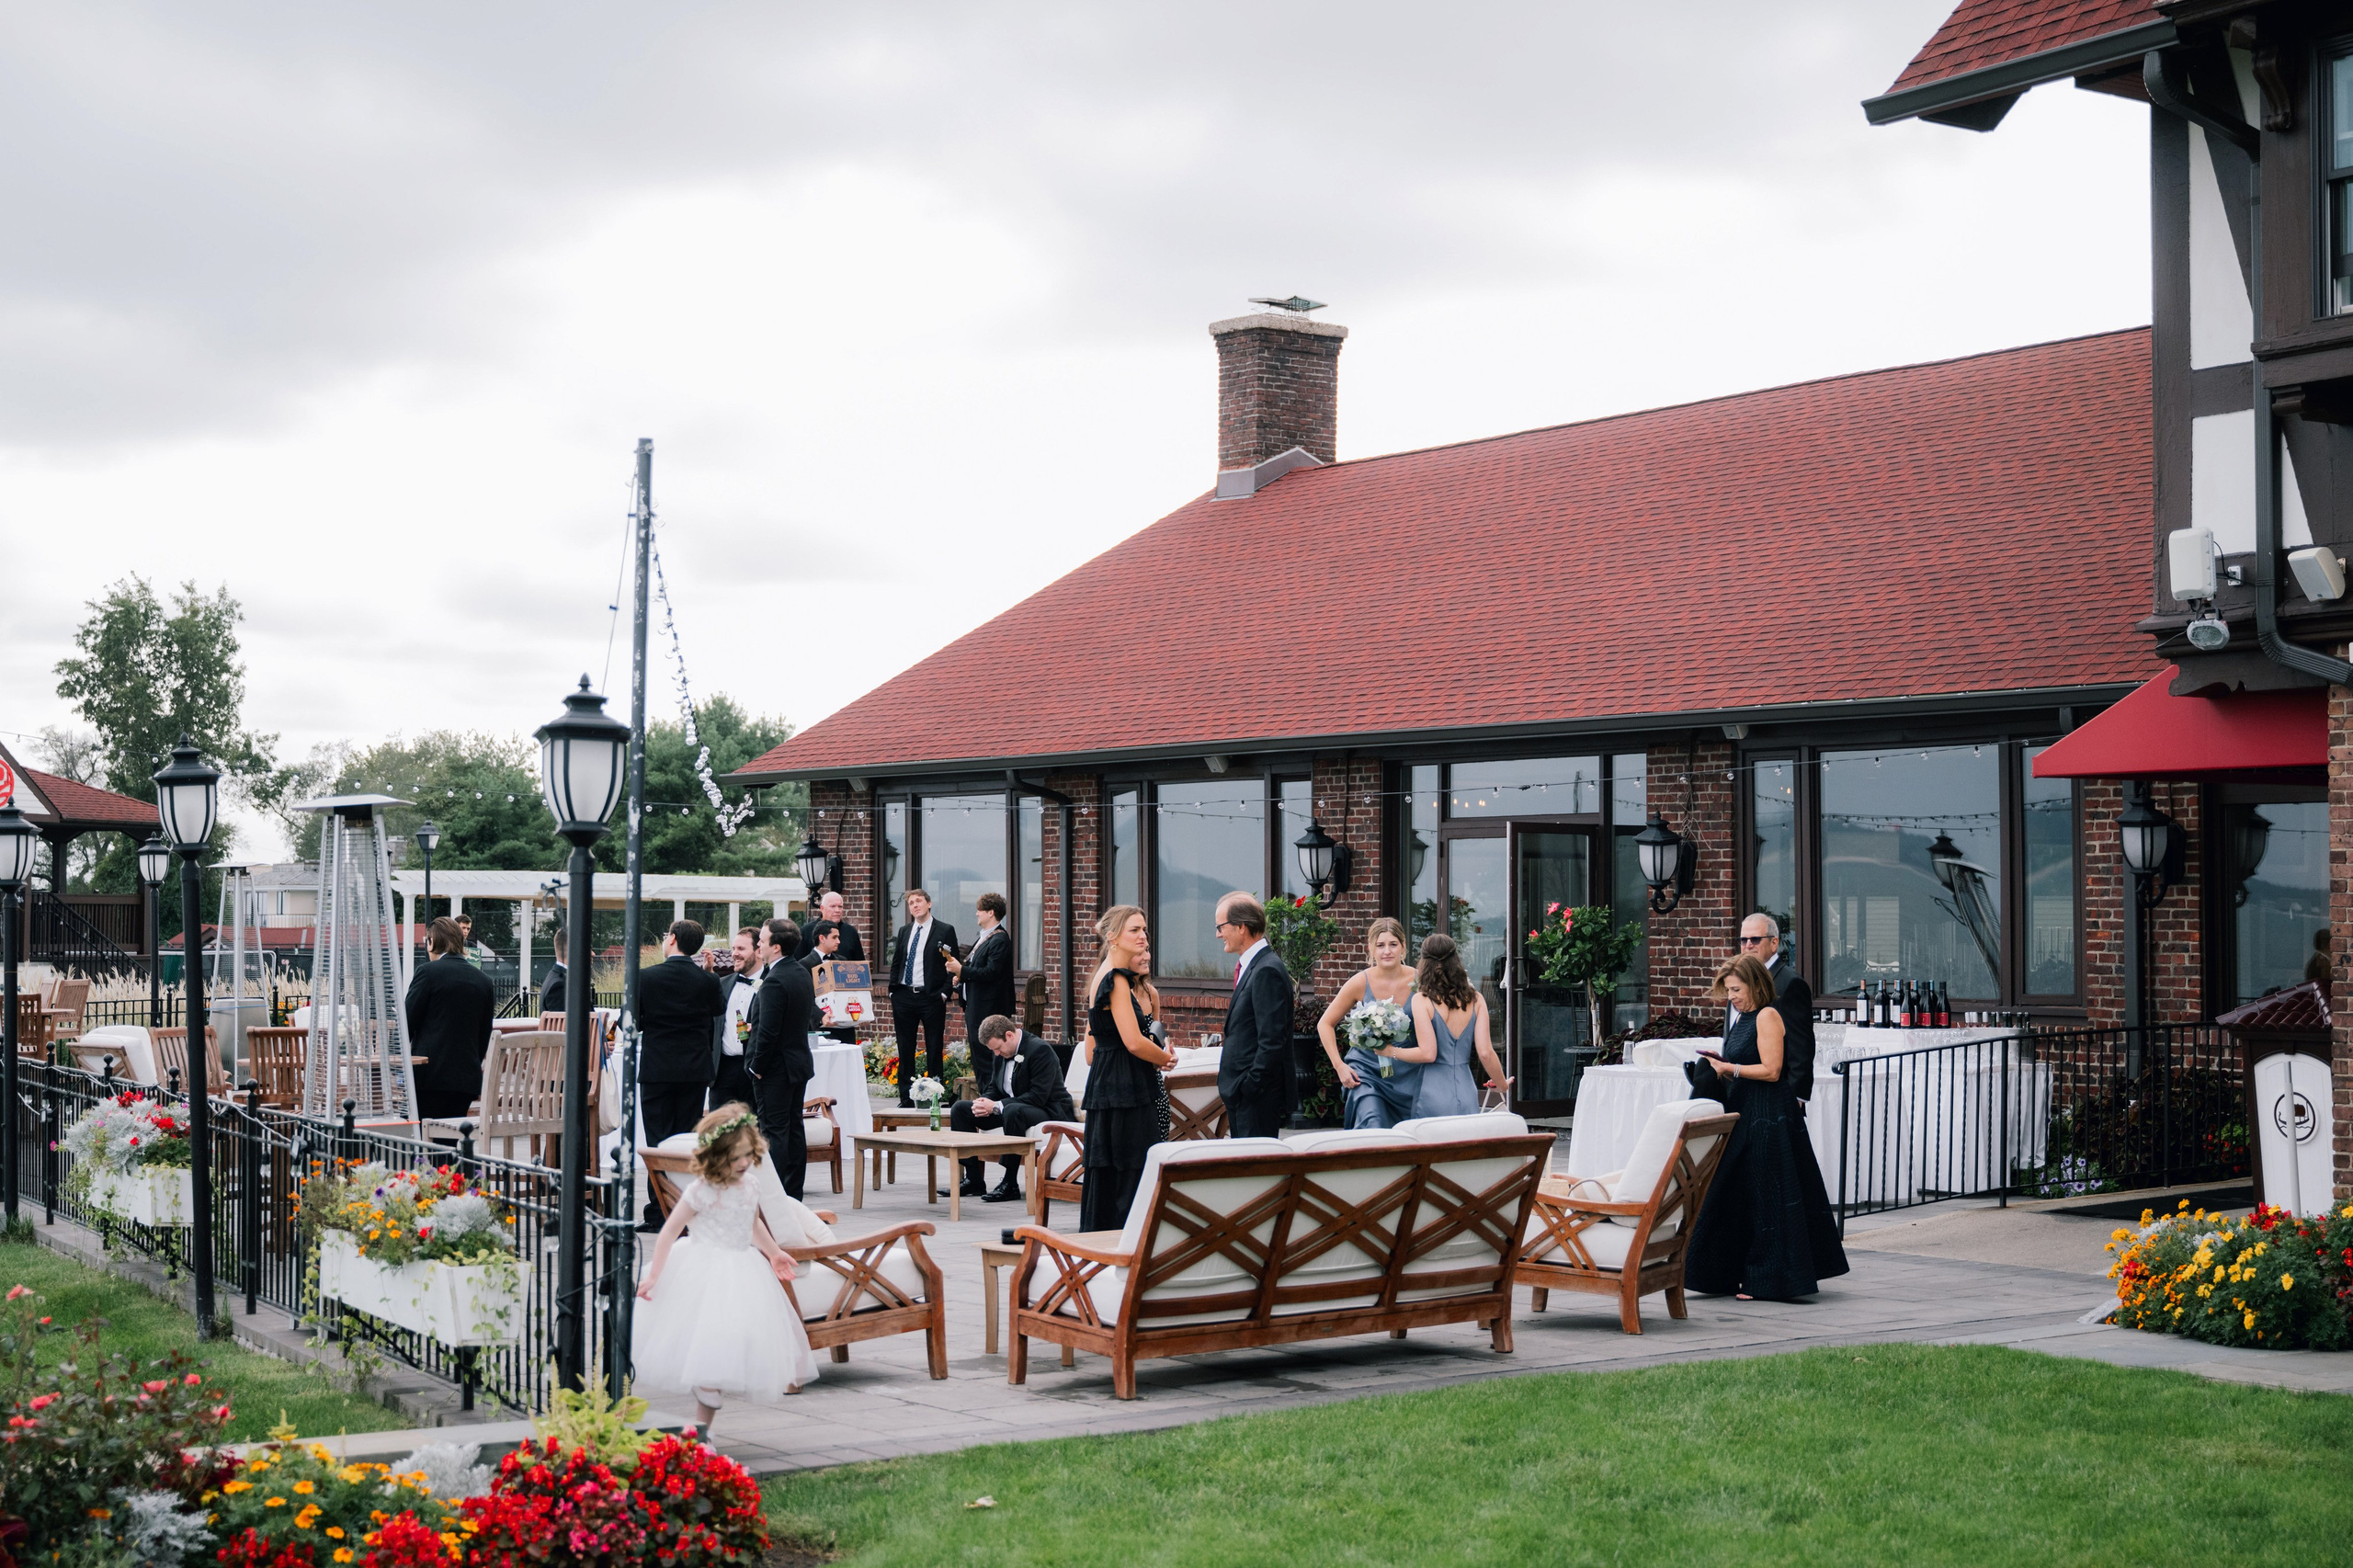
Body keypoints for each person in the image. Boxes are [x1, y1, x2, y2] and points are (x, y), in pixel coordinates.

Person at [634, 1104, 818, 1427]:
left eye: (749, 1155)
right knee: (704, 1339)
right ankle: (704, 1393)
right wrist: (655, 1275)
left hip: (741, 1268)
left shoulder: (750, 1186)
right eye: (736, 1158)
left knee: (727, 1340)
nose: (745, 1163)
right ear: (718, 1157)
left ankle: (704, 1428)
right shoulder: (701, 1191)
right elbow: (668, 1233)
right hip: (701, 1266)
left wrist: (774, 1252)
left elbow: (754, 1224)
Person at [1683, 954, 1849, 1301]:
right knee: (1738, 1193)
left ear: (1755, 984)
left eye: (1736, 989)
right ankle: (1731, 1273)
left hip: (1768, 1115)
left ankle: (1770, 1279)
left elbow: (1773, 1070)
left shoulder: (1769, 1015)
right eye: (1727, 990)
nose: (1731, 996)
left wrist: (1730, 1070)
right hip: (1745, 1111)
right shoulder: (1743, 1018)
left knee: (1767, 1196)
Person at [1079, 904, 1173, 1232]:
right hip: (1124, 1085)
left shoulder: (1107, 977)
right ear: (1112, 936)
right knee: (1130, 1171)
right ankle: (1126, 1245)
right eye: (1134, 929)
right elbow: (1133, 1041)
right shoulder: (1115, 979)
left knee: (1115, 1173)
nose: (1143, 936)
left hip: (1114, 1083)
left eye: (1144, 929)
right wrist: (1166, 1058)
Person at [635, 921, 730, 1177]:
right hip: (694, 1069)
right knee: (687, 1140)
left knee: (658, 1141)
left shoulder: (645, 977)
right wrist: (709, 974)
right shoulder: (708, 981)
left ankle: (658, 1211)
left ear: (673, 938)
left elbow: (629, 1021)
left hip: (658, 1069)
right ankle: (683, 1205)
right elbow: (718, 1010)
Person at [951, 1013, 1075, 1201]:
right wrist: (983, 1103)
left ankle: (1010, 1183)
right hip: (1015, 1108)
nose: (996, 1054)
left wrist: (997, 1106)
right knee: (961, 1109)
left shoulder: (1040, 1050)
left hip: (1048, 1110)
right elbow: (995, 1088)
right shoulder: (1002, 1052)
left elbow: (1038, 1096)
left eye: (998, 1048)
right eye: (993, 1050)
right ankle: (973, 1179)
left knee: (1011, 1110)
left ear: (1009, 1035)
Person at [1315, 917, 1422, 1129]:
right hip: (1366, 1072)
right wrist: (1339, 1066)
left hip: (1409, 1074)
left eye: (1393, 944)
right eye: (1380, 945)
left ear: (1403, 947)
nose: (1387, 951)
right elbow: (1325, 1023)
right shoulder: (1359, 982)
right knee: (1372, 1123)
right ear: (1371, 949)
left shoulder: (1421, 980)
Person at [1397, 934, 1509, 1119]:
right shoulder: (1476, 999)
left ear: (1424, 962)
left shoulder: (1421, 1000)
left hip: (1431, 1093)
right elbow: (1485, 1052)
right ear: (1456, 960)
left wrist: (1390, 1051)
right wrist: (1502, 1084)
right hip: (1466, 1091)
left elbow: (1428, 1053)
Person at [1214, 892, 1296, 1138]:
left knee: (1255, 1172)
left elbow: (1271, 1041)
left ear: (1241, 927)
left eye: (1221, 927)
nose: (1218, 934)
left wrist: (1249, 1087)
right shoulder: (1254, 965)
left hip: (1255, 1099)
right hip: (1246, 1097)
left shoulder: (1266, 970)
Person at [748, 917, 819, 1199]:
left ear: (775, 947)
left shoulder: (774, 980)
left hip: (776, 1068)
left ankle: (774, 1196)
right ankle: (793, 1193)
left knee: (774, 1132)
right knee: (794, 1130)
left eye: (762, 941)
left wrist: (757, 1067)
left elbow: (768, 1033)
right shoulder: (800, 972)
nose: (758, 945)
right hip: (797, 1063)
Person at [405, 916, 496, 1119]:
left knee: (425, 1141)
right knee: (449, 1140)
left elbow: (407, 1024)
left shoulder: (427, 973)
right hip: (466, 1081)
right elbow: (484, 1034)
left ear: (431, 942)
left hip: (429, 1079)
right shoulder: (483, 981)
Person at [886, 890, 960, 1106]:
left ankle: (935, 1095)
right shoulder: (905, 930)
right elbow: (897, 962)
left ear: (929, 904)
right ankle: (906, 1098)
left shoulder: (945, 930)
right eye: (911, 903)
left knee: (934, 1048)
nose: (915, 906)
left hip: (932, 997)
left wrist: (945, 992)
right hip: (904, 996)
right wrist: (893, 991)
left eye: (919, 901)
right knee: (905, 1048)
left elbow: (953, 963)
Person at [1738, 913, 1814, 1104]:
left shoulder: (1790, 984)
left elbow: (1801, 1050)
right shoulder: (1738, 983)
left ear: (1774, 943)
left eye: (1755, 939)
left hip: (1777, 1096)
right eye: (1743, 939)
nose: (1748, 945)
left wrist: (1794, 1100)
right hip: (1744, 1092)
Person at [944, 892, 1016, 1047]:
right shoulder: (985, 937)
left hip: (988, 1010)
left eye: (980, 910)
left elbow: (991, 972)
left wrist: (962, 970)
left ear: (991, 913)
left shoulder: (999, 939)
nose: (976, 913)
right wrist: (960, 977)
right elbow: (978, 968)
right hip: (976, 1007)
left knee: (986, 1057)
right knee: (978, 1056)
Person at [712, 926, 764, 1113]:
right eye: (733, 949)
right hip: (723, 1071)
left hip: (755, 1071)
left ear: (759, 951)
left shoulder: (772, 984)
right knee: (718, 1132)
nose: (734, 954)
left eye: (741, 949)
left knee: (755, 1133)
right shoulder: (722, 984)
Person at [808, 889, 865, 962]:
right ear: (822, 908)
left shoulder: (851, 932)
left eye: (840, 907)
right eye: (833, 906)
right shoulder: (807, 931)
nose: (837, 910)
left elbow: (860, 965)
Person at [539, 925, 567, 1016]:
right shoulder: (559, 987)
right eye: (588, 948)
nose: (593, 954)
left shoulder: (555, 979)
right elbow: (565, 1027)